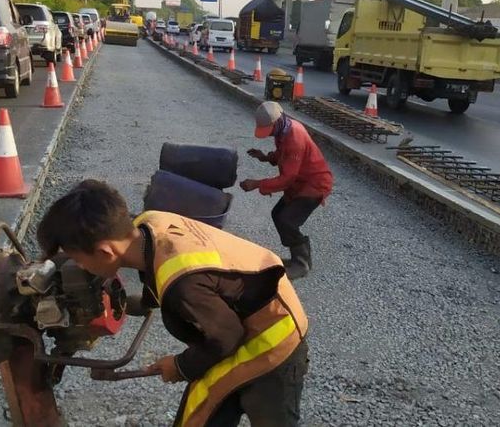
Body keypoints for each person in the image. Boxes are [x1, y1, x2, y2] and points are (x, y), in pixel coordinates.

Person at [36, 180, 310, 427]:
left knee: (253, 413)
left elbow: (226, 337)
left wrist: (180, 366)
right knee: (205, 409)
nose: (80, 266)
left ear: (105, 252)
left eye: (79, 259)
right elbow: (161, 270)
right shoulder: (150, 222)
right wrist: (141, 303)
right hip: (256, 303)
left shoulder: (183, 286)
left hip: (274, 334)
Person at [239, 101, 333, 280]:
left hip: (314, 184)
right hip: (299, 182)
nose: (268, 133)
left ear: (277, 121)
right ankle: (296, 258)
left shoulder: (294, 137)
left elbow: (287, 178)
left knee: (287, 220)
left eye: (269, 129)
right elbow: (284, 155)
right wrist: (266, 157)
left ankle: (301, 263)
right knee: (278, 213)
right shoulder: (283, 130)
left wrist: (257, 184)